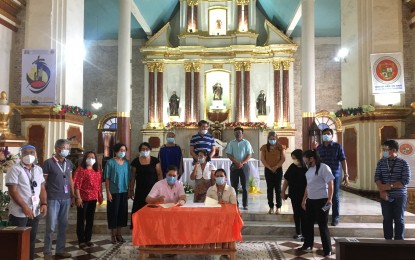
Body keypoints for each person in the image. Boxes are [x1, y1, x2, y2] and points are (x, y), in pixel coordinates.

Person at [6, 144, 47, 260]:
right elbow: (13, 191)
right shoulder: (15, 169)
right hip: (19, 212)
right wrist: (24, 207)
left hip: (35, 211)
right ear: (20, 155)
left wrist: (44, 203)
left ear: (36, 155)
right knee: (18, 241)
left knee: (31, 240)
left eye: (31, 152)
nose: (29, 155)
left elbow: (42, 188)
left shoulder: (38, 169)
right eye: (25, 152)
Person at [43, 139, 74, 259]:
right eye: (65, 148)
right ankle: (47, 252)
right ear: (57, 149)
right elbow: (43, 183)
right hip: (53, 198)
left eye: (68, 148)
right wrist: (43, 199)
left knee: (63, 225)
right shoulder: (48, 163)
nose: (67, 150)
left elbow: (70, 179)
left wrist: (73, 195)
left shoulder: (69, 162)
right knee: (50, 226)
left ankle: (60, 250)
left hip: (65, 198)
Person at [300, 150, 334, 257]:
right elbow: (308, 186)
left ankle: (327, 249)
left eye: (306, 159)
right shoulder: (309, 170)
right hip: (311, 200)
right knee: (308, 223)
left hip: (322, 201)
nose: (305, 161)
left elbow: (330, 183)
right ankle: (308, 244)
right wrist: (304, 199)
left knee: (322, 225)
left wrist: (330, 199)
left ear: (312, 158)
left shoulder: (324, 167)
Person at [374, 139, 411, 240]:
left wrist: (388, 186)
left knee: (399, 219)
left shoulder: (403, 163)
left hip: (399, 196)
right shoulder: (381, 162)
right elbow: (377, 177)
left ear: (394, 150)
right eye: (383, 149)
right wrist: (381, 190)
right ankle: (388, 242)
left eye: (385, 149)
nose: (383, 151)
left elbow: (405, 180)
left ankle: (399, 243)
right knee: (387, 219)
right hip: (385, 195)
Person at [316, 128, 349, 226]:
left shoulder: (337, 146)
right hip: (322, 176)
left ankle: (335, 217)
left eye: (328, 134)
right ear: (322, 136)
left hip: (334, 175)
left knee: (334, 197)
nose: (326, 135)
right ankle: (322, 217)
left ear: (332, 135)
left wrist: (346, 174)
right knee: (322, 197)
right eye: (324, 134)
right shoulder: (319, 148)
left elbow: (343, 160)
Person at [73, 151, 103, 248]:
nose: (91, 159)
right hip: (83, 198)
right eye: (89, 157)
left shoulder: (97, 170)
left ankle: (88, 239)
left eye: (93, 157)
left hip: (93, 198)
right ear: (85, 158)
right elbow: (76, 185)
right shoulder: (81, 170)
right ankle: (81, 240)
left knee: (90, 219)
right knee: (81, 219)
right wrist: (78, 197)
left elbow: (98, 185)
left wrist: (99, 196)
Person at [104, 143, 131, 244]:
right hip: (113, 192)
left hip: (123, 191)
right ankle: (113, 235)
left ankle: (119, 234)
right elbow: (107, 178)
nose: (122, 152)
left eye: (124, 150)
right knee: (113, 213)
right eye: (121, 150)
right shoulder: (110, 162)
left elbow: (129, 177)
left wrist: (129, 190)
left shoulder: (126, 163)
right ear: (116, 151)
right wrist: (108, 192)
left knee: (122, 213)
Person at [130, 142, 162, 217]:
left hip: (152, 189)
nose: (145, 151)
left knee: (152, 209)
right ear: (140, 150)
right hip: (140, 190)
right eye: (143, 149)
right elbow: (133, 176)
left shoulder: (155, 161)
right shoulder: (135, 161)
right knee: (138, 210)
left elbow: (159, 175)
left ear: (150, 150)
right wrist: (131, 190)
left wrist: (161, 189)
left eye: (147, 149)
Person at [281, 149, 307, 240]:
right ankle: (298, 232)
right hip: (294, 194)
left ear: (300, 158)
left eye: (295, 158)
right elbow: (286, 180)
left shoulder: (307, 168)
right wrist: (283, 191)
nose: (294, 160)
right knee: (296, 214)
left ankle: (305, 234)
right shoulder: (292, 166)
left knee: (304, 215)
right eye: (293, 158)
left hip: (305, 195)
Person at [226, 127, 254, 210]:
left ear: (242, 133)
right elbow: (229, 154)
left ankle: (245, 204)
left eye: (239, 132)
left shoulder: (246, 143)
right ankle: (235, 203)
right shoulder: (231, 143)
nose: (238, 134)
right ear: (234, 134)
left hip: (244, 166)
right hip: (234, 166)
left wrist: (242, 162)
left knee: (245, 186)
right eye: (236, 132)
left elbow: (250, 154)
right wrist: (236, 162)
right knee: (234, 186)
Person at [260, 131, 285, 214]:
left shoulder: (281, 147)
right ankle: (271, 206)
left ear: (276, 138)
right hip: (268, 170)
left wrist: (276, 167)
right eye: (270, 139)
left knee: (278, 189)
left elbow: (283, 158)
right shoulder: (264, 147)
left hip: (278, 170)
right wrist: (269, 168)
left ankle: (279, 207)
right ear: (268, 139)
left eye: (274, 139)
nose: (272, 140)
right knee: (270, 189)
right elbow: (263, 159)